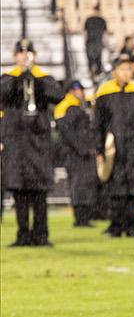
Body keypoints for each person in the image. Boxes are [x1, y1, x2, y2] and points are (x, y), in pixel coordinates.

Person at [1, 40, 62, 246]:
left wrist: (34, 77)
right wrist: (20, 76)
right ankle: (23, 234)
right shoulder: (7, 77)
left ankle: (41, 234)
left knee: (39, 191)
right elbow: (3, 93)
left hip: (39, 142)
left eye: (28, 54)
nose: (24, 57)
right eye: (21, 53)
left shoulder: (44, 78)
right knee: (19, 191)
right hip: (17, 143)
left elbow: (58, 95)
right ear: (14, 56)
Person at [92, 54, 134, 238]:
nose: (126, 73)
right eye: (122, 69)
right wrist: (99, 149)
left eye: (129, 69)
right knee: (115, 188)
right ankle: (115, 225)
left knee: (133, 187)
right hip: (113, 147)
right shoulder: (105, 93)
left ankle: (132, 226)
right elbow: (98, 124)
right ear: (114, 72)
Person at [54, 80, 101, 227]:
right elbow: (68, 133)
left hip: (80, 152)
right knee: (79, 184)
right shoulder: (66, 107)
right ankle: (81, 218)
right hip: (74, 153)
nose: (83, 93)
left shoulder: (76, 106)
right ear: (72, 91)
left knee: (85, 183)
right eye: (80, 90)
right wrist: (83, 148)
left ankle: (85, 216)